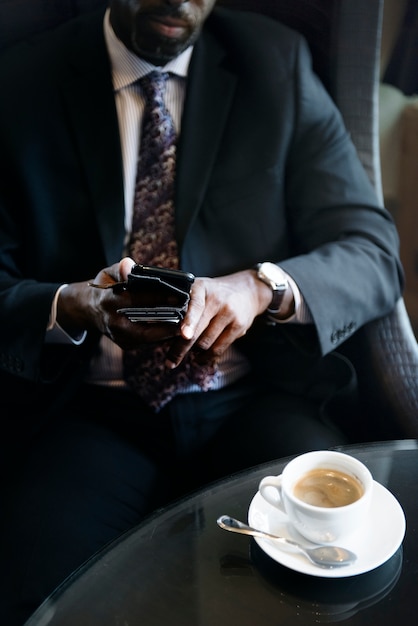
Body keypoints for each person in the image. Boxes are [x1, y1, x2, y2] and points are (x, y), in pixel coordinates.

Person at [0, 0, 403, 623]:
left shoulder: (276, 65)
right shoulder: (23, 82)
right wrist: (68, 306)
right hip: (92, 413)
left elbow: (372, 252)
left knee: (336, 579)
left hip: (252, 401)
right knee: (29, 596)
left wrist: (264, 287)